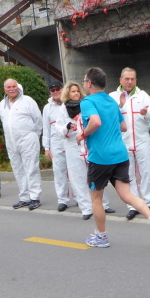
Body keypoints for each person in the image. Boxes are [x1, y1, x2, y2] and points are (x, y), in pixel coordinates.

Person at [76, 67, 150, 248]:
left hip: (100, 157)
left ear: (89, 83)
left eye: (84, 82)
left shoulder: (88, 102)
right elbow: (124, 127)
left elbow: (95, 121)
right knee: (127, 194)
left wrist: (82, 135)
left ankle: (101, 237)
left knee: (96, 199)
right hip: (120, 154)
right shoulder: (112, 102)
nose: (84, 85)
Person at [56, 82, 113, 220]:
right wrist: (67, 127)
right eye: (72, 91)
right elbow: (58, 129)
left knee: (96, 174)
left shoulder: (86, 104)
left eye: (77, 91)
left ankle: (103, 204)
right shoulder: (63, 109)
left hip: (88, 142)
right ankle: (86, 208)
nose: (76, 93)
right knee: (78, 177)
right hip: (72, 144)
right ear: (67, 94)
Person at [109, 68, 150, 220]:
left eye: (132, 79)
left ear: (136, 81)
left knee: (146, 173)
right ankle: (133, 206)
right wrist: (120, 105)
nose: (129, 82)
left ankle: (149, 203)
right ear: (120, 80)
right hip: (123, 143)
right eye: (127, 79)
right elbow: (108, 118)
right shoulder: (113, 97)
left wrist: (146, 113)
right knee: (128, 176)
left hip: (142, 140)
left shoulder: (143, 96)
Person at [0, 78, 43, 210]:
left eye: (14, 86)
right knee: (18, 170)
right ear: (5, 90)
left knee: (31, 169)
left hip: (28, 140)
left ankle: (34, 197)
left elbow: (38, 120)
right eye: (9, 87)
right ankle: (24, 197)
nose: (12, 89)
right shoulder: (2, 104)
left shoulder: (27, 101)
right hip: (11, 142)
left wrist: (35, 135)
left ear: (18, 87)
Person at [42, 83, 70, 211]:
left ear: (63, 89)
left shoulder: (69, 103)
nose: (55, 92)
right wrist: (46, 148)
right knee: (59, 171)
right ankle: (62, 199)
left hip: (70, 140)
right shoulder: (47, 108)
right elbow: (46, 128)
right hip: (56, 143)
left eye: (57, 89)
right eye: (52, 90)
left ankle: (80, 198)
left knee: (75, 171)